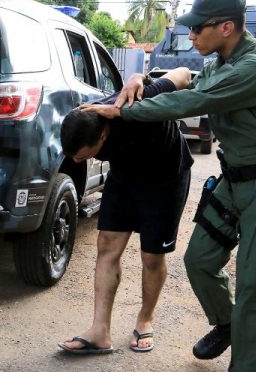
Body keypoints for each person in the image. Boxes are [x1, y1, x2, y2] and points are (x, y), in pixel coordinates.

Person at [82, 0, 256, 372]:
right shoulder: (225, 60)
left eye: (196, 29)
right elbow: (186, 78)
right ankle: (226, 323)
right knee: (199, 261)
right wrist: (140, 80)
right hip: (236, 179)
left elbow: (191, 100)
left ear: (226, 26)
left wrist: (120, 111)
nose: (190, 37)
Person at [58, 68, 193, 356]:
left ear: (104, 135)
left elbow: (183, 75)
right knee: (106, 245)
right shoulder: (86, 121)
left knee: (152, 256)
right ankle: (99, 331)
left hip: (165, 178)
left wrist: (139, 77)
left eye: (83, 154)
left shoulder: (135, 104)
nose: (77, 160)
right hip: (125, 177)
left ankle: (145, 319)